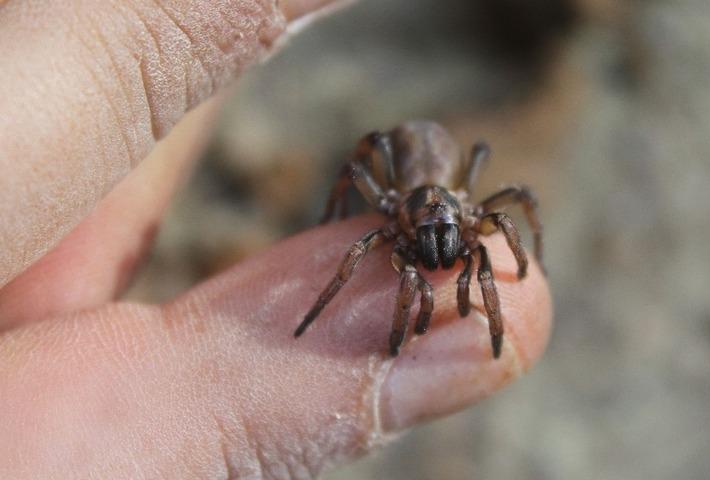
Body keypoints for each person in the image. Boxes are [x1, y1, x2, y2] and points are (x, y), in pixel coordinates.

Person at [0, 1, 551, 477]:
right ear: (400, 217)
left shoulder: (473, 219)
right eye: (428, 235)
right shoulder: (390, 218)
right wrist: (334, 259)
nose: (434, 250)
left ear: (462, 213)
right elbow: (356, 219)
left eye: (446, 234)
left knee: (499, 223)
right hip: (411, 159)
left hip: (439, 168)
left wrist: (524, 263)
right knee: (380, 248)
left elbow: (511, 211)